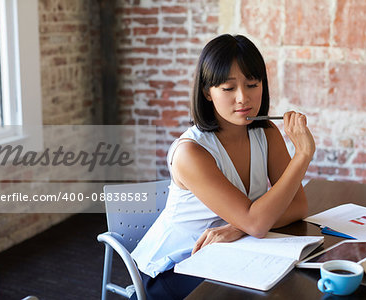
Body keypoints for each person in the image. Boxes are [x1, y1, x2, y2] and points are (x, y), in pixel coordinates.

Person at [130, 34, 315, 300]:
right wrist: (303, 155)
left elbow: (298, 206)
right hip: (176, 265)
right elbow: (258, 223)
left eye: (252, 84)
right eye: (228, 88)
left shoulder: (267, 132)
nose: (243, 98)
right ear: (207, 92)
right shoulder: (191, 152)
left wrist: (238, 227)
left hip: (234, 249)